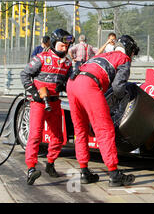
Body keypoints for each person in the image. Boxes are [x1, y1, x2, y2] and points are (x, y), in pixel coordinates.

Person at [66, 35, 139, 187]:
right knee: (105, 129)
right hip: (89, 85)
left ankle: (84, 172)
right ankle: (114, 174)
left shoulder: (104, 54)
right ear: (130, 50)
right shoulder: (123, 58)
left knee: (80, 130)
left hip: (72, 83)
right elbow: (118, 88)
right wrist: (121, 100)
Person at [20, 29, 74, 185]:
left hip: (55, 102)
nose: (65, 48)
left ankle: (50, 163)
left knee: (58, 137)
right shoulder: (41, 58)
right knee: (35, 136)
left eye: (67, 45)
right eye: (63, 45)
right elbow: (24, 74)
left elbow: (69, 82)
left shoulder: (68, 63)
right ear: (55, 43)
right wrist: (33, 92)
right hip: (38, 102)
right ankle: (31, 168)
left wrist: (63, 85)